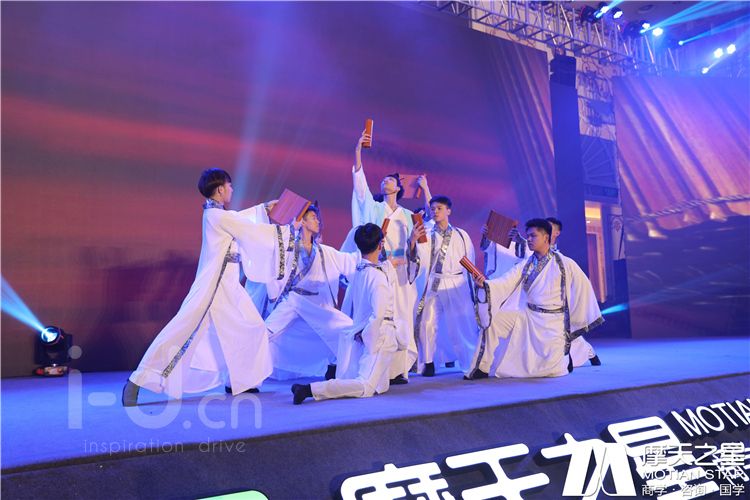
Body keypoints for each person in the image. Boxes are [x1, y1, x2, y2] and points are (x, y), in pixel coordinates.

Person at [122, 168, 277, 406]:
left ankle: (239, 381)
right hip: (213, 288)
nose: (232, 189)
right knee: (181, 330)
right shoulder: (217, 216)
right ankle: (138, 380)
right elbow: (247, 227)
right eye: (229, 185)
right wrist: (287, 230)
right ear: (220, 189)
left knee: (251, 327)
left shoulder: (217, 214)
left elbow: (238, 219)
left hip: (228, 287)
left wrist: (262, 209)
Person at [342, 130, 433, 383]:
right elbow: (360, 186)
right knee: (379, 318)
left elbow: (426, 227)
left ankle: (399, 370)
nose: (385, 182)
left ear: (399, 187)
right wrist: (358, 151)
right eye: (383, 180)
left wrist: (412, 243)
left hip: (402, 273)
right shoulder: (374, 208)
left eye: (390, 180)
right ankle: (375, 367)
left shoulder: (407, 216)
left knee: (402, 319)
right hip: (380, 271)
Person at [465, 219, 603, 380]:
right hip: (527, 315)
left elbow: (583, 288)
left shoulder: (564, 263)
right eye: (528, 236)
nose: (529, 239)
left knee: (551, 370)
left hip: (552, 322)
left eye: (533, 236)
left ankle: (568, 358)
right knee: (493, 322)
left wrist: (574, 319)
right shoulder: (527, 264)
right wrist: (485, 285)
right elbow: (506, 281)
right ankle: (481, 368)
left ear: (546, 238)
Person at [292, 223, 398, 404]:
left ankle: (316, 388)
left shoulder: (361, 271)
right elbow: (379, 313)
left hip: (366, 330)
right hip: (378, 333)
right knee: (365, 387)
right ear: (380, 245)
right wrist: (370, 338)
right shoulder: (376, 276)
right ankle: (310, 389)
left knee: (378, 385)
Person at [264, 205, 359, 380]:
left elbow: (351, 260)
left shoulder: (325, 251)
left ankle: (335, 366)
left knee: (345, 327)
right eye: (313, 218)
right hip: (294, 301)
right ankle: (247, 371)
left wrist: (373, 250)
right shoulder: (287, 248)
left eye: (317, 218)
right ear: (303, 221)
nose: (318, 221)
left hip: (317, 305)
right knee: (266, 332)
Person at [409, 195, 479, 376]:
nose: (435, 211)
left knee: (462, 323)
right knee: (427, 322)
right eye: (432, 209)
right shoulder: (427, 234)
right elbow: (420, 259)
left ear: (448, 211)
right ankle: (428, 362)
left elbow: (469, 259)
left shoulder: (461, 235)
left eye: (439, 208)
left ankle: (470, 362)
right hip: (434, 283)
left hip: (457, 283)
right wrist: (413, 242)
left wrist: (473, 282)